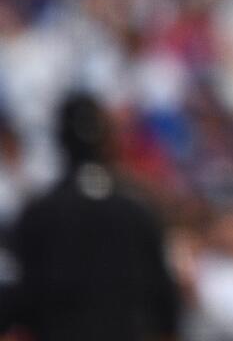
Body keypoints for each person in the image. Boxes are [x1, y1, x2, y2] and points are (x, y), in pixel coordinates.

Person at [0, 94, 180, 341]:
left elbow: (18, 302)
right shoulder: (138, 211)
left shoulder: (38, 213)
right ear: (107, 141)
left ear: (60, 140)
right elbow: (165, 306)